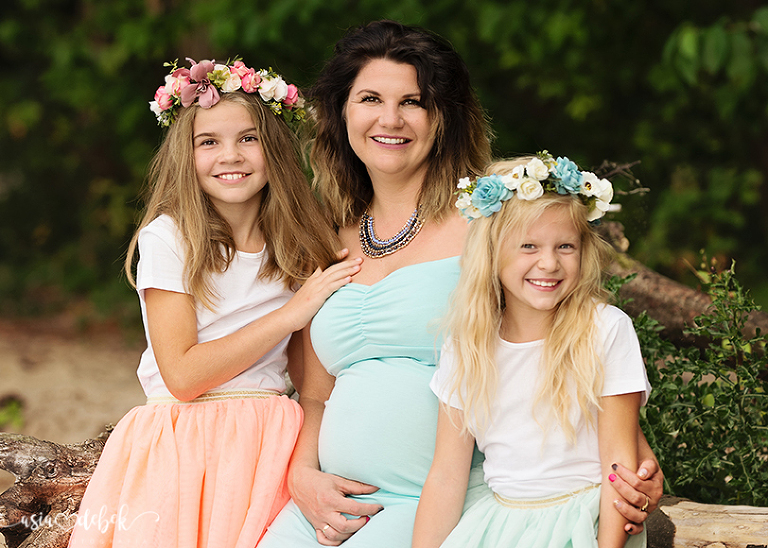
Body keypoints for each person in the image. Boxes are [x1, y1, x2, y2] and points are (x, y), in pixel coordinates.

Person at [261, 21, 661, 548]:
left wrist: (633, 451)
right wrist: (303, 478)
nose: (390, 118)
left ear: (442, 117)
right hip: (330, 502)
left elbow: (566, 332)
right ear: (342, 112)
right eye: (370, 98)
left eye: (413, 101)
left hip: (443, 500)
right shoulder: (328, 241)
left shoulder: (489, 229)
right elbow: (316, 394)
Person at [68, 57, 361, 548]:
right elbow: (182, 376)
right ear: (187, 155)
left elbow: (310, 378)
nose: (232, 155)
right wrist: (291, 313)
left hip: (270, 440)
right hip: (185, 442)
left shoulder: (299, 243)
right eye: (209, 142)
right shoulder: (169, 238)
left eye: (248, 139)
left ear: (274, 149)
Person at [412, 154, 649, 548]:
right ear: (492, 253)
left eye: (565, 246)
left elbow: (619, 470)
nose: (549, 263)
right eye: (528, 246)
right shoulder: (468, 344)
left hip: (582, 523)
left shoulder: (605, 329)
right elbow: (446, 476)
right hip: (497, 523)